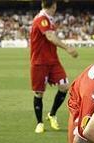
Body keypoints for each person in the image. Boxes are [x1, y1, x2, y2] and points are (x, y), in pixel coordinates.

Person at [29, 0, 78, 134]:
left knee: (64, 86)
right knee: (39, 93)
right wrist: (68, 48)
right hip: (39, 62)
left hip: (52, 61)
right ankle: (39, 123)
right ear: (54, 6)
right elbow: (50, 36)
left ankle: (52, 114)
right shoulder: (42, 19)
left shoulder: (48, 19)